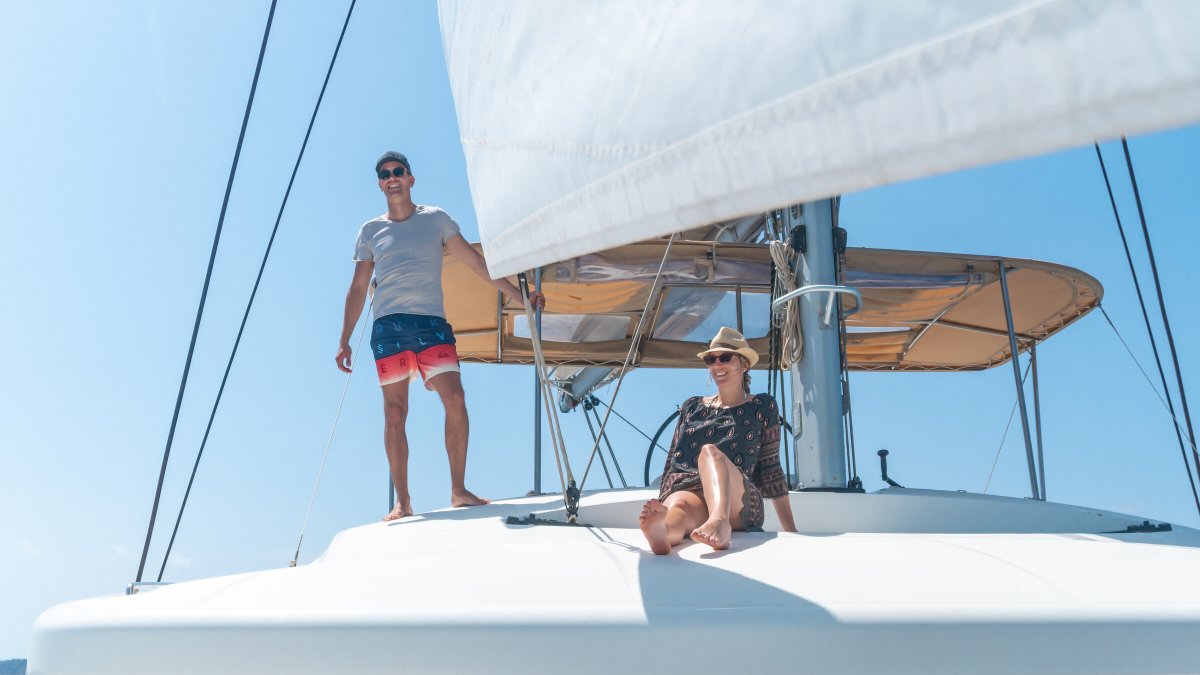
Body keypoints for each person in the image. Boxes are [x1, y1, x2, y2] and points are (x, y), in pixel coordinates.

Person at [336, 151, 545, 521]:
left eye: (398, 171)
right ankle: (402, 502)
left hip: (431, 324)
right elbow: (357, 288)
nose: (392, 178)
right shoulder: (370, 231)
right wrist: (344, 339)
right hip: (389, 327)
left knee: (456, 397)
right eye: (384, 174)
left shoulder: (436, 220)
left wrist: (520, 298)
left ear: (411, 179)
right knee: (395, 412)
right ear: (380, 183)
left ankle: (458, 490)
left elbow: (477, 264)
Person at [639, 327, 797, 553]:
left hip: (738, 499)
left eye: (725, 357)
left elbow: (771, 469)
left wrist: (791, 530)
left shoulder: (762, 407)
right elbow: (672, 461)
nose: (717, 365)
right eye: (711, 360)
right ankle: (663, 531)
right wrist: (666, 497)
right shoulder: (691, 407)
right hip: (692, 488)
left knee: (710, 453)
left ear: (744, 364)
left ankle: (720, 521)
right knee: (679, 506)